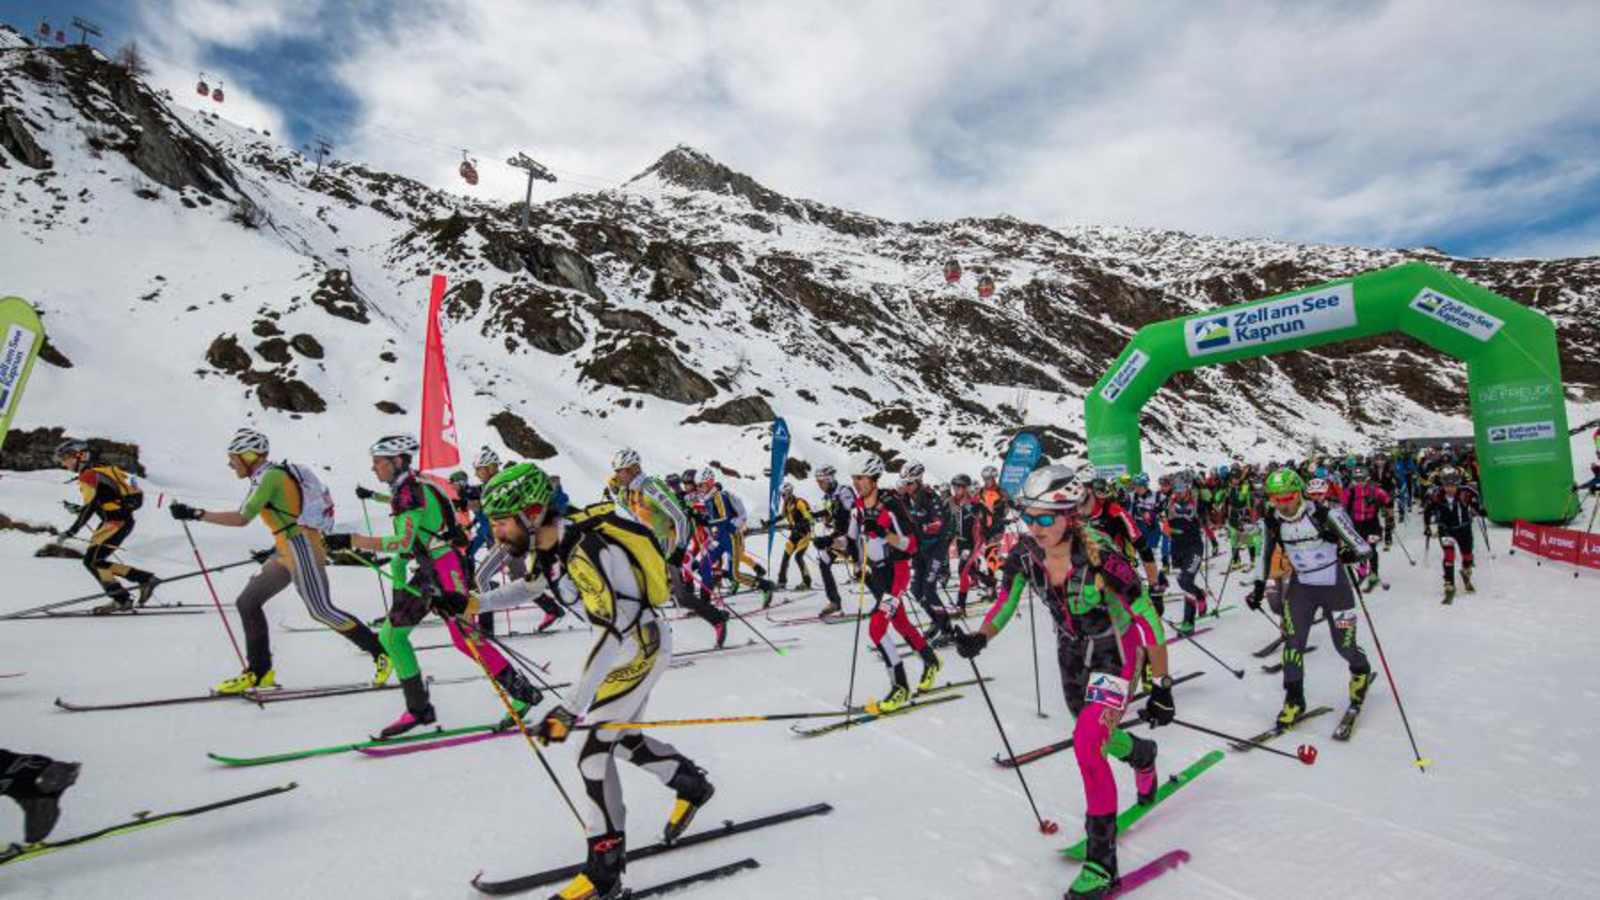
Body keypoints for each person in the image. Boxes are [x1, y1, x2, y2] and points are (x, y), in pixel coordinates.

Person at [464, 462, 715, 900]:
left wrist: (570, 707)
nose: (497, 533)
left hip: (639, 648)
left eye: (502, 522)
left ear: (533, 511)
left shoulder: (587, 551)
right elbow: (533, 587)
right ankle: (691, 785)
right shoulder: (551, 542)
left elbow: (610, 631)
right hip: (628, 649)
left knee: (591, 752)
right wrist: (473, 601)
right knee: (626, 740)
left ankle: (605, 873)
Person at [955, 465, 1172, 899]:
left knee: (1088, 743)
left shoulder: (1101, 554)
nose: (1035, 527)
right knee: (1093, 735)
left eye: (1046, 517)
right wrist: (981, 635)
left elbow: (1146, 616)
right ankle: (1142, 753)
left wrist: (1162, 684)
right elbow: (1005, 600)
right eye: (1029, 516)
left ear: (1071, 515)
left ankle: (1101, 864)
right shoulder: (1024, 554)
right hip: (1072, 654)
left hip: (1114, 651)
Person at [325, 435, 540, 737]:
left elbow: (404, 541)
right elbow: (409, 540)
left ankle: (520, 692)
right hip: (430, 568)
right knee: (393, 635)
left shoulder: (411, 491)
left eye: (378, 462)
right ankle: (418, 709)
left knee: (463, 639)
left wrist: (352, 540)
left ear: (397, 461)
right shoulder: (407, 489)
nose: (374, 468)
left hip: (445, 568)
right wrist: (398, 574)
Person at [169, 428, 390, 694]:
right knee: (247, 602)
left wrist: (196, 513)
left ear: (250, 456)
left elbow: (242, 518)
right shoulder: (266, 475)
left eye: (234, 458)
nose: (231, 464)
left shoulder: (270, 477)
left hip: (302, 546)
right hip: (286, 548)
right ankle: (259, 673)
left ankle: (383, 652)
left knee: (320, 610)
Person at [1247, 468, 1374, 729]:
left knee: (1344, 646)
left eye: (1288, 496)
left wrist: (1348, 553)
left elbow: (1363, 547)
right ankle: (1294, 698)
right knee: (1293, 645)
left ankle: (1360, 671)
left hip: (1335, 586)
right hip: (1301, 587)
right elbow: (1263, 555)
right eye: (1276, 498)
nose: (1283, 504)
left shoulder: (1326, 513)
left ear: (1300, 493)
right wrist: (1259, 587)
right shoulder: (1272, 520)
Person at [840, 454, 942, 712]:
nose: (856, 483)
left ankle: (900, 687)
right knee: (901, 622)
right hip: (876, 576)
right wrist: (831, 544)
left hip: (896, 574)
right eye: (854, 478)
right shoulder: (859, 508)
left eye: (860, 478)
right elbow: (849, 541)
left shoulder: (890, 506)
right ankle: (931, 661)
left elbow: (911, 544)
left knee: (876, 628)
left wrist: (884, 533)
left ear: (874, 478)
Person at [607, 448, 727, 647]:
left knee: (667, 593)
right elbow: (631, 513)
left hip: (669, 545)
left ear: (635, 469)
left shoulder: (651, 488)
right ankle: (712, 620)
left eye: (622, 471)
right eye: (617, 471)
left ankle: (660, 637)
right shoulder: (630, 492)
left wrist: (679, 551)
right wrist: (617, 492)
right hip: (651, 547)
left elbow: (681, 518)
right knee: (665, 594)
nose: (618, 475)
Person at [55, 439, 158, 615]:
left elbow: (91, 506)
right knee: (96, 561)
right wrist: (79, 510)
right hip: (119, 521)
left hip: (114, 523)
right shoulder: (102, 470)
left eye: (66, 458)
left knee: (93, 562)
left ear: (81, 455)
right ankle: (143, 581)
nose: (64, 464)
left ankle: (123, 598)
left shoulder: (88, 475)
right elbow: (101, 501)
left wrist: (71, 531)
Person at [897, 461, 955, 641]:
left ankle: (947, 629)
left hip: (936, 548)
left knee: (929, 590)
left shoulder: (931, 497)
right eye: (904, 483)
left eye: (909, 483)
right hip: (919, 550)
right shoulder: (905, 498)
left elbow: (937, 524)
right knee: (916, 590)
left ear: (918, 481)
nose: (906, 486)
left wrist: (919, 528)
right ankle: (936, 620)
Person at [1423, 466, 1481, 603]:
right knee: (1449, 555)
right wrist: (1427, 527)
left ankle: (1466, 572)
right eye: (1446, 485)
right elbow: (1427, 511)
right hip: (1446, 529)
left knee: (1468, 555)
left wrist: (1476, 507)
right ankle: (1449, 584)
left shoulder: (1466, 492)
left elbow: (1477, 498)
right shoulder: (1436, 494)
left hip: (1464, 528)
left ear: (1458, 483)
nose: (1450, 489)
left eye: (1453, 485)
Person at [0, 751, 79, 847]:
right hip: (37, 783)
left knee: (41, 807)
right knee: (40, 807)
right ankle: (35, 839)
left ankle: (35, 839)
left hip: (42, 780)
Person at [812, 464, 856, 617]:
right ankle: (834, 601)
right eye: (818, 482)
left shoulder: (844, 492)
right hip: (840, 537)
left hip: (853, 536)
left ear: (830, 479)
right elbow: (830, 512)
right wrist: (813, 516)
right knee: (823, 562)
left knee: (861, 570)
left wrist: (830, 538)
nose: (820, 485)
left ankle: (884, 600)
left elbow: (850, 516)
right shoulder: (829, 496)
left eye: (821, 482)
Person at [1342, 466, 1390, 591]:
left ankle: (1374, 575)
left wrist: (1387, 511)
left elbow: (1387, 499)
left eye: (1362, 479)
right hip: (1356, 524)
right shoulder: (1350, 491)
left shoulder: (1375, 489)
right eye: (1356, 479)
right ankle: (1362, 572)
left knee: (1372, 548)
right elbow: (1342, 506)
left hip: (1372, 523)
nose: (1359, 482)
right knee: (1360, 549)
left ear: (1367, 478)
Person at [774, 482, 816, 591]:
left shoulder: (799, 502)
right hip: (794, 535)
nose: (782, 497)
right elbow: (782, 516)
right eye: (781, 495)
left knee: (798, 557)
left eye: (783, 494)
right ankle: (781, 581)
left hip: (804, 534)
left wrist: (799, 525)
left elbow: (808, 517)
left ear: (789, 492)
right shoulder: (786, 504)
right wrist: (770, 522)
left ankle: (807, 582)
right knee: (785, 556)